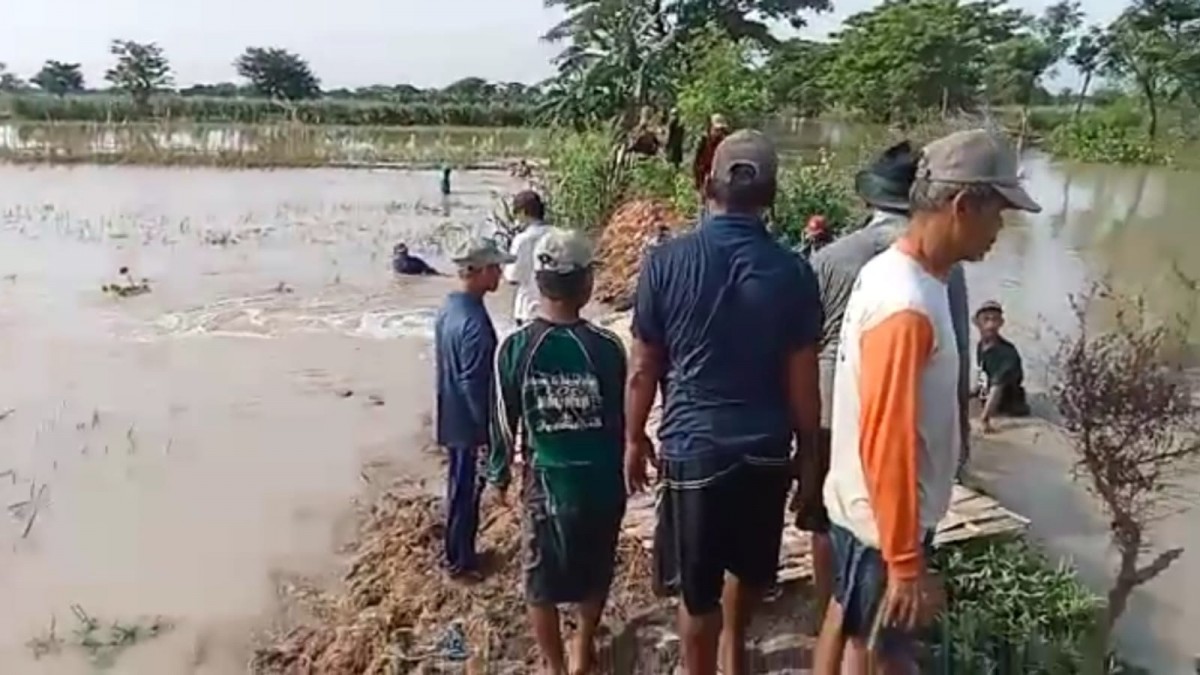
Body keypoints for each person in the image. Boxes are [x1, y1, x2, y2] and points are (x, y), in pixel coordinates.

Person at [815, 129, 1040, 675]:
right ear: (963, 205)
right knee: (877, 653)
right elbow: (886, 438)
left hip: (865, 511)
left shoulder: (901, 271)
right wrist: (906, 559)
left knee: (850, 621)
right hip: (884, 522)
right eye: (999, 213)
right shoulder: (907, 302)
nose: (1001, 230)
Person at [626, 130, 823, 675]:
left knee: (697, 593)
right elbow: (803, 381)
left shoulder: (664, 263)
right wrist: (809, 460)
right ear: (772, 195)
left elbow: (644, 366)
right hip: (765, 450)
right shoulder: (793, 271)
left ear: (707, 185)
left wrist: (633, 436)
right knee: (747, 569)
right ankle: (736, 657)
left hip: (693, 451)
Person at [798, 142, 976, 626]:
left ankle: (827, 607)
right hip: (894, 447)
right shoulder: (937, 272)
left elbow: (806, 340)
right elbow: (956, 354)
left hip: (835, 405)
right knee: (877, 634)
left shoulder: (834, 257)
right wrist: (960, 435)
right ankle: (847, 613)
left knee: (823, 518)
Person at [488, 228, 628, 675]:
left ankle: (554, 665)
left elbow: (503, 424)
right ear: (586, 286)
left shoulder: (515, 349)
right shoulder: (607, 348)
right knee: (596, 569)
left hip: (547, 483)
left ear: (539, 281)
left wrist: (499, 476)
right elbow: (618, 420)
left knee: (540, 583)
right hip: (601, 482)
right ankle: (583, 645)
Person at [434, 237, 515, 580]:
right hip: (469, 424)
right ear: (478, 272)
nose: (500, 273)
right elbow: (473, 383)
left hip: (451, 415)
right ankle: (461, 562)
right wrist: (490, 432)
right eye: (495, 267)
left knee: (458, 489)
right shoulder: (474, 325)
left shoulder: (450, 309)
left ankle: (455, 554)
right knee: (466, 494)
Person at [973, 300, 1031, 432]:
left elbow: (997, 386)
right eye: (986, 319)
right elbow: (983, 373)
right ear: (977, 323)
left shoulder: (1007, 353)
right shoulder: (981, 346)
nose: (991, 325)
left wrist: (984, 419)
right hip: (989, 398)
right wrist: (973, 392)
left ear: (1001, 323)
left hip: (1009, 406)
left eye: (995, 320)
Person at [504, 190, 552, 327]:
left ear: (523, 213)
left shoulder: (522, 240)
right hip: (554, 309)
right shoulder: (557, 236)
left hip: (527, 309)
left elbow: (512, 277)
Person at [691, 114, 731, 194]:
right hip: (704, 175)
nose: (719, 133)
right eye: (716, 130)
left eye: (721, 130)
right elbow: (696, 162)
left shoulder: (725, 142)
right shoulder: (703, 141)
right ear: (710, 128)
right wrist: (697, 181)